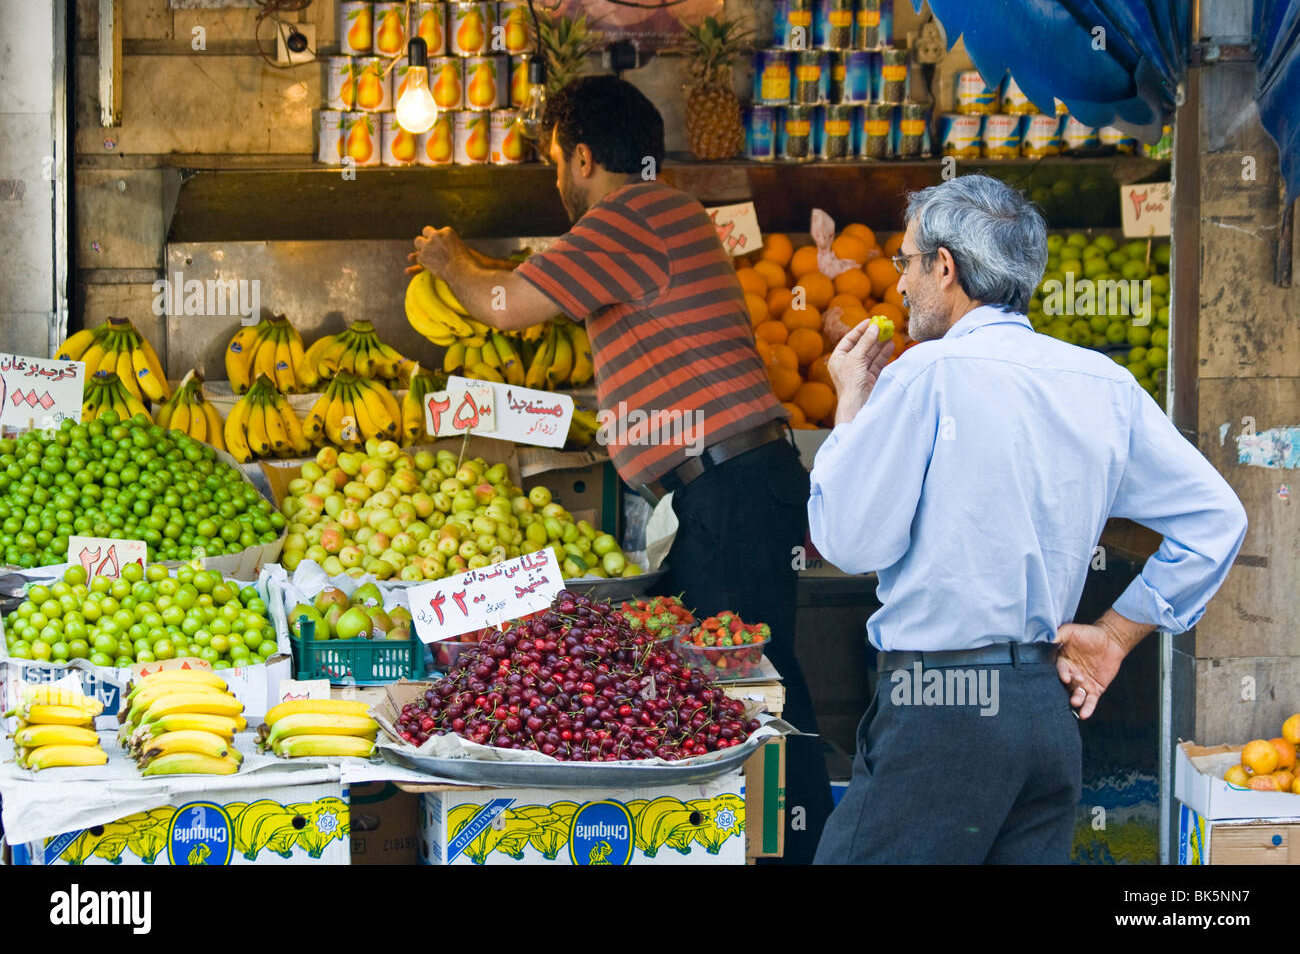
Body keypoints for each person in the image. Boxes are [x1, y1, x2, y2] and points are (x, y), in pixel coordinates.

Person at [410, 75, 833, 863]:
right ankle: (738, 846)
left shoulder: (630, 215)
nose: (554, 180)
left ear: (578, 157)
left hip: (729, 488)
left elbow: (503, 304)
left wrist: (445, 259)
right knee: (729, 684)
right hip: (727, 486)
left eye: (552, 162)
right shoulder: (660, 214)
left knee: (751, 691)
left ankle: (796, 851)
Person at [808, 174, 1247, 864]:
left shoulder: (926, 374)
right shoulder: (1102, 383)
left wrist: (850, 405)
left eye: (906, 263)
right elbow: (1218, 518)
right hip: (1046, 712)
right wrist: (1115, 635)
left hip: (942, 706)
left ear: (944, 267)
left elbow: (847, 540)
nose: (899, 287)